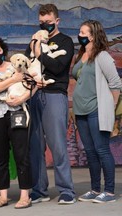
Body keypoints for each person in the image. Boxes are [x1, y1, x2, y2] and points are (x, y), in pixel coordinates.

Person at [25, 3, 76, 204]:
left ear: (57, 21)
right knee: (35, 145)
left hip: (54, 95)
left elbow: (57, 66)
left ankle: (66, 190)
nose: (44, 25)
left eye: (48, 22)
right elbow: (27, 66)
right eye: (41, 22)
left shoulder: (65, 41)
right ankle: (39, 189)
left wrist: (39, 53)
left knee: (57, 144)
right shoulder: (34, 41)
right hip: (34, 96)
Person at [0, 37, 33, 209]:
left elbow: (32, 84)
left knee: (21, 154)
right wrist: (13, 80)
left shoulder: (16, 65)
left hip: (16, 113)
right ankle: (3, 195)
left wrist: (22, 97)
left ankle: (25, 195)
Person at [72, 20, 122, 203]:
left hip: (96, 110)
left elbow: (115, 83)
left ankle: (109, 192)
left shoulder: (103, 57)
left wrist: (111, 106)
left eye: (83, 32)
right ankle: (94, 189)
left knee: (102, 150)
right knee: (90, 152)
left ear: (92, 35)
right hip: (80, 111)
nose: (80, 34)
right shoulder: (82, 55)